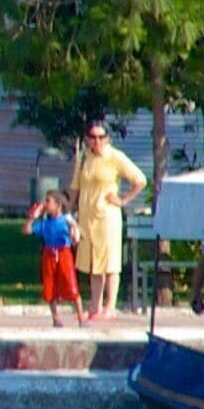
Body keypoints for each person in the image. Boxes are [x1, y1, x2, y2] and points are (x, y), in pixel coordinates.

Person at [70, 122, 150, 321]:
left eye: (101, 137)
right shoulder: (83, 157)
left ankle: (110, 306)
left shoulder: (115, 157)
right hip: (87, 217)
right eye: (93, 137)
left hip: (107, 216)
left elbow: (140, 180)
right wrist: (70, 210)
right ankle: (95, 305)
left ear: (107, 138)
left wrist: (123, 199)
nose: (97, 142)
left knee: (110, 262)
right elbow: (75, 185)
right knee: (93, 262)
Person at [27, 189, 79, 327]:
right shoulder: (45, 223)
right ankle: (56, 318)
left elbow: (76, 232)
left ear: (58, 205)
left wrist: (74, 232)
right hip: (49, 254)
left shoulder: (66, 220)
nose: (45, 204)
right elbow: (26, 230)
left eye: (48, 201)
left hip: (63, 253)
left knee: (71, 284)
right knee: (50, 286)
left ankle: (81, 318)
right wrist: (33, 217)